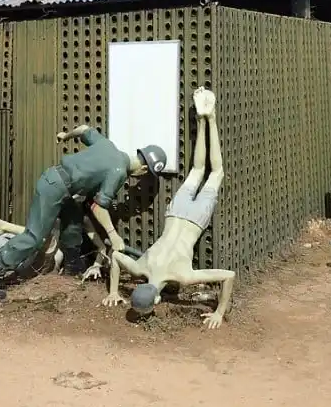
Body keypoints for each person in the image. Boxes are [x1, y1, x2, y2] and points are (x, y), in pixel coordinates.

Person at [0, 125, 166, 300]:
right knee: (34, 237)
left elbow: (84, 129)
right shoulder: (119, 171)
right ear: (144, 170)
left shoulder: (108, 146)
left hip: (64, 188)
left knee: (73, 222)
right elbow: (98, 207)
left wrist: (66, 135)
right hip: (54, 187)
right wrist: (114, 236)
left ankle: (72, 267)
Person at [100, 87, 235, 330]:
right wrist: (113, 290)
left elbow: (229, 275)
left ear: (158, 299)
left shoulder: (183, 276)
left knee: (216, 172)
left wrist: (219, 312)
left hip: (194, 219)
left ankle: (210, 118)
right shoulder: (141, 265)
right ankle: (202, 119)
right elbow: (118, 258)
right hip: (175, 213)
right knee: (196, 170)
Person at [0, 202, 109, 294]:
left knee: (47, 235)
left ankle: (4, 226)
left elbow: (102, 247)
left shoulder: (81, 220)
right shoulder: (51, 214)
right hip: (31, 250)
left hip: (49, 260)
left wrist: (97, 265)